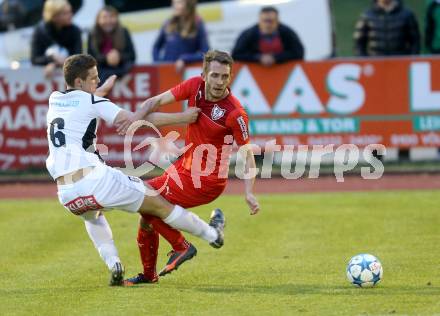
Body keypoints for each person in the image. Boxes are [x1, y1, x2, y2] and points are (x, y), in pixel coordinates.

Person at [46, 53, 226, 286]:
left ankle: (114, 264)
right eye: (93, 79)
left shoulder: (55, 98)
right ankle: (213, 236)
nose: (97, 82)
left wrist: (101, 92)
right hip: (94, 179)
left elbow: (80, 103)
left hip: (67, 193)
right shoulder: (93, 101)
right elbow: (133, 120)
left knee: (93, 217)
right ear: (80, 83)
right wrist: (184, 117)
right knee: (159, 204)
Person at [123, 50, 260, 285]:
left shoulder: (235, 113)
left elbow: (248, 155)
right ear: (204, 74)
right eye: (214, 75)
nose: (219, 82)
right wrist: (142, 117)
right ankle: (149, 274)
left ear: (230, 77)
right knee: (146, 215)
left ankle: (181, 246)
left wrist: (249, 192)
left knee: (144, 198)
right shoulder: (194, 86)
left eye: (224, 77)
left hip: (206, 180)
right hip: (184, 168)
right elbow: (153, 105)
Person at [231, 6, 304, 66]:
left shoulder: (287, 33)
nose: (268, 25)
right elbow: (236, 54)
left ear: (278, 21)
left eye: (271, 21)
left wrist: (276, 58)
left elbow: (299, 53)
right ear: (259, 20)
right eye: (265, 21)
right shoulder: (249, 34)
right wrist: (258, 58)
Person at [152, 0, 209, 73]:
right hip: (167, 72)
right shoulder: (168, 23)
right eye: (174, 2)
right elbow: (156, 47)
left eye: (179, 2)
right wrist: (159, 63)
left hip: (186, 74)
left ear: (189, 4)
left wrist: (185, 59)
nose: (174, 5)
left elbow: (205, 53)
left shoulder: (197, 24)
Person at [31, 0, 82, 77]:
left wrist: (59, 63)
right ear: (54, 16)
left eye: (70, 12)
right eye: (65, 13)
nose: (71, 15)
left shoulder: (75, 31)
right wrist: (52, 59)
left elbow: (78, 57)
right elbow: (35, 59)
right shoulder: (40, 31)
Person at [353, 0, 420, 56]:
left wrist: (410, 59)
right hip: (375, 63)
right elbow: (359, 43)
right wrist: (365, 60)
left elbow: (415, 41)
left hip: (400, 63)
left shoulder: (407, 15)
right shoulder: (367, 16)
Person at [87, 6, 136, 82]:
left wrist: (118, 56)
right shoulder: (93, 33)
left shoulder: (123, 31)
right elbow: (91, 57)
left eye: (111, 17)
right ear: (98, 20)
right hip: (101, 70)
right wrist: (107, 58)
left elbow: (132, 55)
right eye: (104, 17)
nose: (108, 21)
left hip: (120, 68)